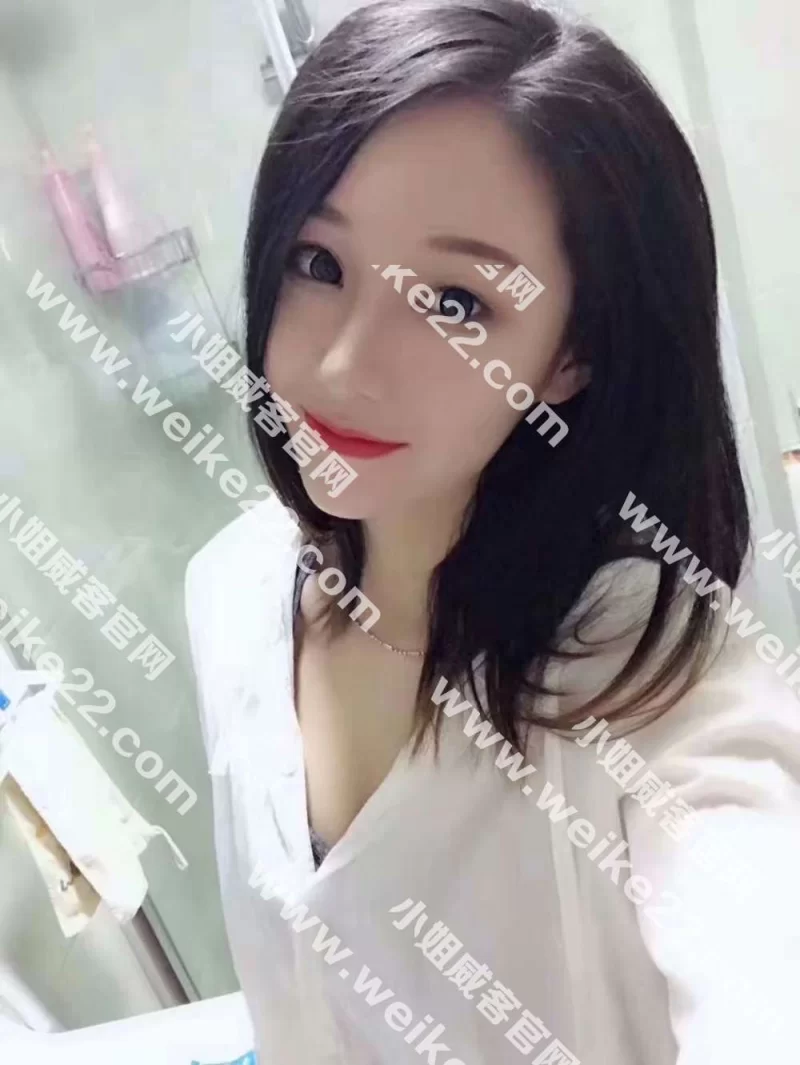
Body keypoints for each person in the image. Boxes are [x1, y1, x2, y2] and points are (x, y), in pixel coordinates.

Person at [184, 1, 800, 1061]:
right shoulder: (230, 588)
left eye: (456, 304)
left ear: (570, 356)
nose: (343, 366)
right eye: (319, 264)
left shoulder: (660, 689)